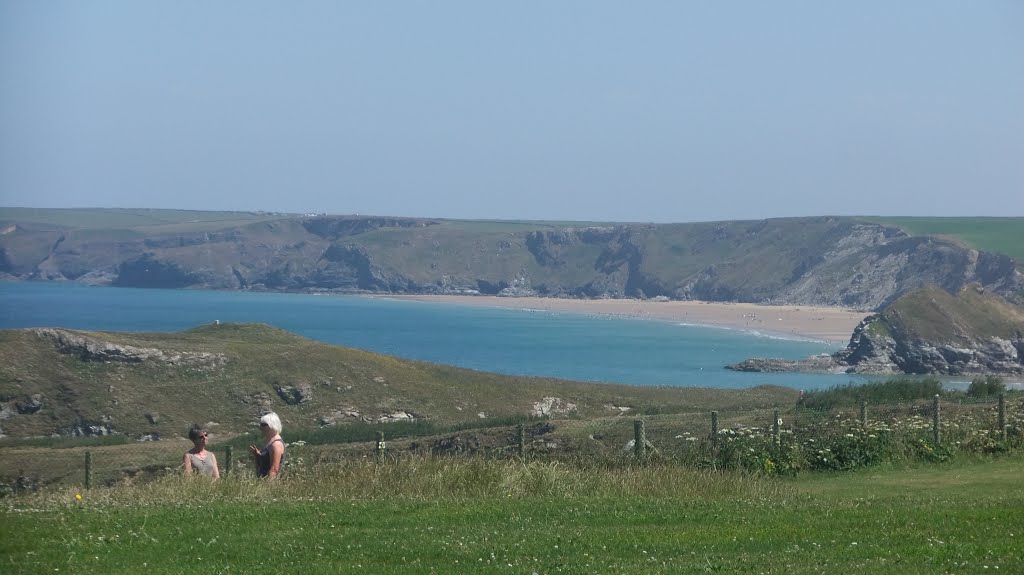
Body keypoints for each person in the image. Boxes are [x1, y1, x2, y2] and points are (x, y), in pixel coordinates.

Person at [250, 412, 285, 479]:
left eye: (263, 425)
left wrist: (267, 487)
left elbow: (274, 469)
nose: (260, 428)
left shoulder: (276, 444)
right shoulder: (270, 442)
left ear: (270, 425)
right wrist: (258, 455)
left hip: (269, 485)